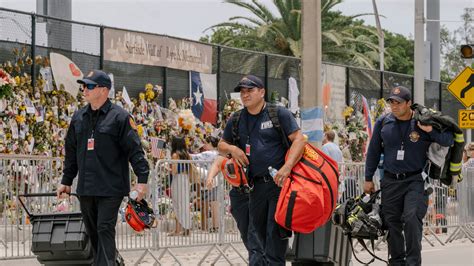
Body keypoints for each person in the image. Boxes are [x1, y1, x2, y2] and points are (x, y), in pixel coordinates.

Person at [57, 70, 150, 265]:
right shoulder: (78, 118)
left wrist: (142, 181)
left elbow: (135, 151)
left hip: (111, 187)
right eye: (83, 86)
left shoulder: (121, 117)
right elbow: (71, 152)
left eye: (90, 86)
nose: (84, 90)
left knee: (104, 229)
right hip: (86, 187)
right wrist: (66, 181)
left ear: (104, 90)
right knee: (94, 234)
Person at [218, 75, 306, 265]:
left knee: (275, 239)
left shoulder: (278, 113)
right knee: (258, 241)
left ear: (262, 92)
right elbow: (221, 145)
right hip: (254, 188)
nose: (245, 94)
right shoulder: (237, 119)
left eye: (250, 90)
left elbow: (300, 140)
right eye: (242, 91)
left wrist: (287, 168)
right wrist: (233, 148)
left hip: (278, 185)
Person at [364, 86, 453, 265]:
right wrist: (368, 178)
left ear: (409, 104)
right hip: (390, 181)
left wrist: (430, 131)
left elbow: (448, 140)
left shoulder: (422, 121)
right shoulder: (384, 121)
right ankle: (397, 261)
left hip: (415, 180)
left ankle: (413, 262)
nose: (394, 106)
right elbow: (373, 151)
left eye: (398, 103)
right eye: (391, 102)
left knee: (411, 218)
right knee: (391, 222)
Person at [169, 136, 192, 236]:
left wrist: (166, 168)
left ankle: (178, 229)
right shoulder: (187, 155)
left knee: (177, 204)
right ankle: (185, 228)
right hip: (185, 179)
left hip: (178, 179)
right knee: (184, 204)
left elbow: (174, 171)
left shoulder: (175, 155)